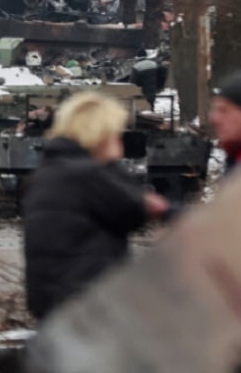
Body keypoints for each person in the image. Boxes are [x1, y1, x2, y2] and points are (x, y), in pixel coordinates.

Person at [22, 92, 170, 320]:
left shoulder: (52, 170)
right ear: (99, 134)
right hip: (85, 300)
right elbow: (134, 210)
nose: (120, 141)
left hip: (56, 299)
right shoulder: (87, 174)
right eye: (116, 134)